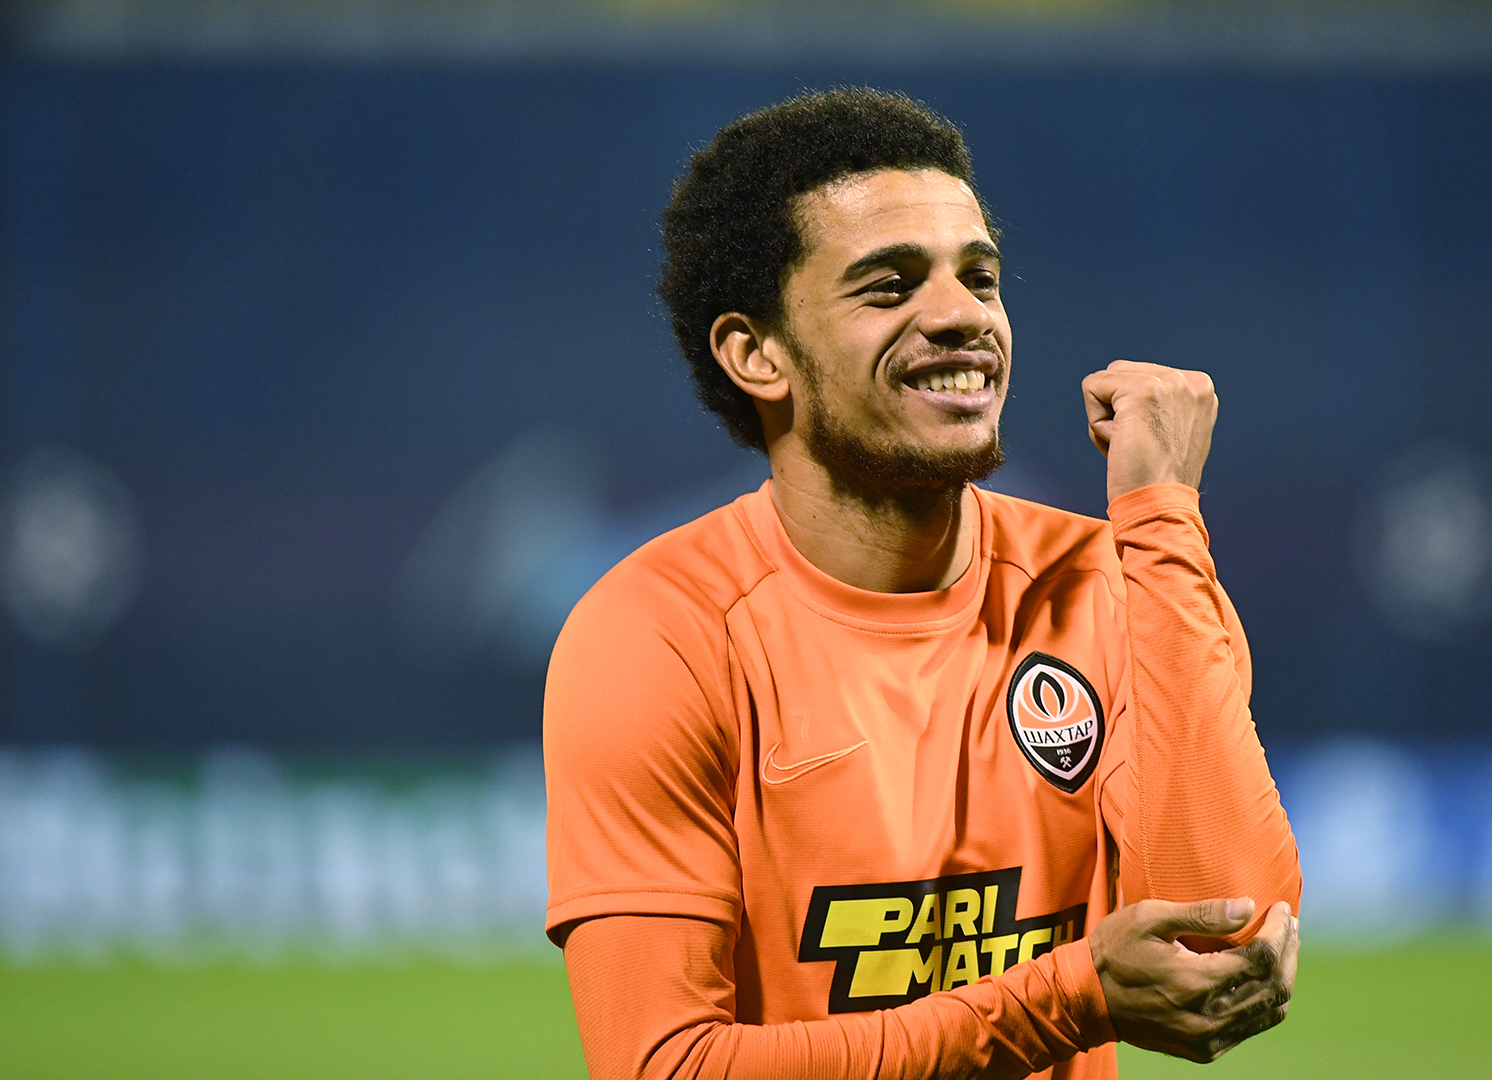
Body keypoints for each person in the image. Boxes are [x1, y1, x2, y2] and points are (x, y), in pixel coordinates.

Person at [544, 87, 1302, 1079]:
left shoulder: (1113, 582)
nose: (960, 315)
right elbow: (665, 1067)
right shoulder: (658, 635)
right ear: (757, 354)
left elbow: (1226, 947)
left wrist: (1160, 516)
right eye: (888, 286)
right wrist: (1067, 999)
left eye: (979, 278)